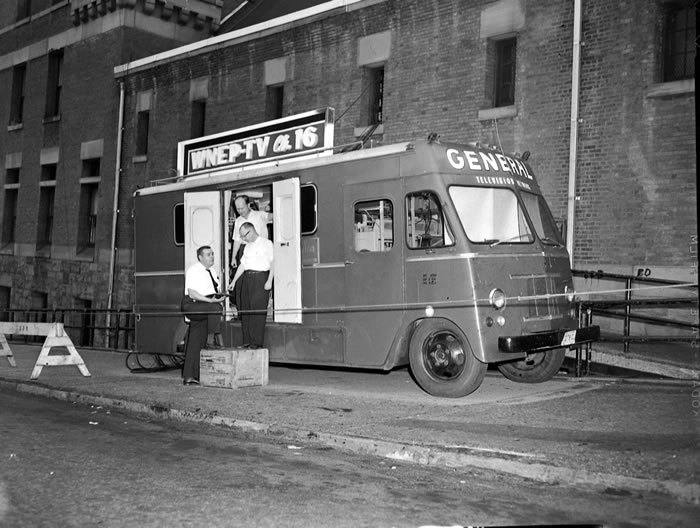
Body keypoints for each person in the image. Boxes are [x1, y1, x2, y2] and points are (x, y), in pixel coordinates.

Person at [181, 246, 226, 386]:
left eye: (212, 254)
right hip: (193, 304)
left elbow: (212, 291)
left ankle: (190, 376)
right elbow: (193, 293)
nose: (212, 257)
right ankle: (213, 337)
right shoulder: (194, 270)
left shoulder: (212, 271)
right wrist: (212, 301)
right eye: (208, 255)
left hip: (205, 306)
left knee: (195, 341)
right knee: (216, 308)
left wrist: (218, 296)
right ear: (200, 257)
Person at [228, 223, 273, 349]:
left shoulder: (266, 243)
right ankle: (247, 341)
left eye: (244, 236)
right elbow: (242, 265)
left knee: (257, 312)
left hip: (261, 278)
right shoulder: (247, 247)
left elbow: (273, 262)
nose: (243, 239)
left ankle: (256, 343)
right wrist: (233, 282)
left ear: (251, 231)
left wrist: (269, 280)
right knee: (246, 310)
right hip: (247, 278)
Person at [230, 195, 269, 269]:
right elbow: (237, 240)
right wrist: (233, 258)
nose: (240, 211)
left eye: (242, 208)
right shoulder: (238, 221)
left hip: (260, 249)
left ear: (248, 205)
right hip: (244, 250)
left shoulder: (260, 215)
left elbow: (274, 216)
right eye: (238, 209)